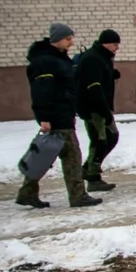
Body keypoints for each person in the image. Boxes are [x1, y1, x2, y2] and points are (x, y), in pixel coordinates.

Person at [15, 22, 103, 209]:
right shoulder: (46, 62)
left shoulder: (58, 58)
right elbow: (41, 91)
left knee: (46, 156)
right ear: (57, 40)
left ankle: (27, 193)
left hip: (63, 112)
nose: (71, 42)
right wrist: (44, 117)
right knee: (72, 156)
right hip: (57, 114)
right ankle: (78, 195)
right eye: (68, 39)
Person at [75, 29, 122, 192]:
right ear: (106, 43)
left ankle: (89, 168)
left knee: (111, 137)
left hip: (102, 106)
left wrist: (111, 74)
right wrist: (105, 112)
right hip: (93, 108)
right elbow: (93, 88)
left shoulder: (103, 57)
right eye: (115, 45)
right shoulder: (92, 59)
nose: (117, 48)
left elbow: (100, 78)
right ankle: (92, 177)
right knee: (100, 140)